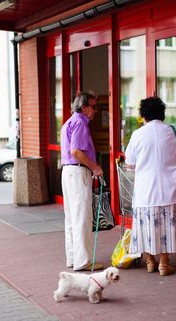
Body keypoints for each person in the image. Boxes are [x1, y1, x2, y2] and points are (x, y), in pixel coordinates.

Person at [125, 96, 176, 276]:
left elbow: (130, 163)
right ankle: (164, 264)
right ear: (162, 114)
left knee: (148, 226)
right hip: (169, 189)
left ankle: (150, 261)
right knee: (167, 225)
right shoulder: (172, 132)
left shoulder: (138, 134)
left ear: (143, 115)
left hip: (146, 191)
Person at [61, 92, 104, 271]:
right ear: (84, 107)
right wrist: (95, 167)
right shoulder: (79, 123)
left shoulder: (70, 121)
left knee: (71, 217)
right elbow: (76, 151)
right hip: (78, 172)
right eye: (93, 107)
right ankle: (83, 261)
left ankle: (73, 258)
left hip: (69, 172)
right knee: (82, 217)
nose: (95, 111)